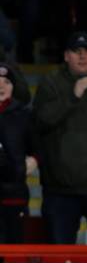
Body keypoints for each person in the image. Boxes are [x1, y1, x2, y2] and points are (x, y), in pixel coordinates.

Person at [32, 31, 87, 244]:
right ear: (66, 55)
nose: (82, 56)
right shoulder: (51, 82)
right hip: (60, 190)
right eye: (76, 51)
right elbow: (41, 121)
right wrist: (72, 96)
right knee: (59, 261)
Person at [0, 63, 34, 243]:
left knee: (14, 252)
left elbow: (36, 146)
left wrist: (34, 160)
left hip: (14, 195)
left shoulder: (23, 114)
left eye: (6, 81)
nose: (1, 86)